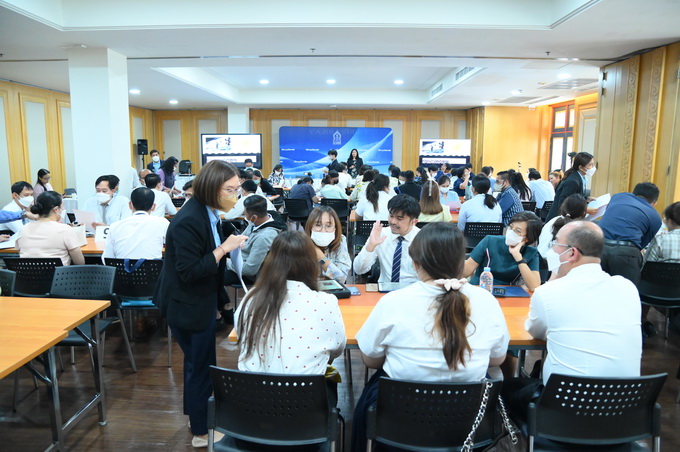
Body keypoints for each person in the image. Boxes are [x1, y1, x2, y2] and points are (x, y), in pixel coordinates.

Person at [352, 222, 509, 452]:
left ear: (416, 263)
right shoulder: (486, 301)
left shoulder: (394, 301)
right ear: (462, 262)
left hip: (401, 418)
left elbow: (370, 359)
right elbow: (497, 359)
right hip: (467, 421)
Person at [502, 221, 642, 422]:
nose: (551, 250)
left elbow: (535, 331)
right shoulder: (627, 288)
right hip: (624, 412)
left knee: (508, 387)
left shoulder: (549, 293)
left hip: (565, 411)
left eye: (555, 244)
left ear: (572, 253)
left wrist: (553, 278)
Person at [153, 160, 248, 449]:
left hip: (199, 300)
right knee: (201, 366)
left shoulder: (208, 213)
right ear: (211, 188)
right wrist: (224, 249)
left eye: (237, 189)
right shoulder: (189, 220)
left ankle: (196, 416)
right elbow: (190, 271)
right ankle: (201, 432)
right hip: (187, 304)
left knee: (199, 363)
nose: (234, 195)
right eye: (229, 189)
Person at [235, 230, 345, 376]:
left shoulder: (250, 299)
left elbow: (241, 336)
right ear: (311, 263)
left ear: (270, 261)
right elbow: (337, 348)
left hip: (253, 388)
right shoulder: (326, 302)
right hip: (306, 389)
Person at [224, 195, 286, 311]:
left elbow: (249, 270)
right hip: (241, 259)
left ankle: (225, 309)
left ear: (254, 217)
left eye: (245, 214)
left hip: (251, 274)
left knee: (213, 275)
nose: (244, 216)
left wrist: (227, 262)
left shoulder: (264, 236)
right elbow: (242, 238)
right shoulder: (257, 223)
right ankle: (223, 308)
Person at [598, 182, 663, 285]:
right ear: (654, 203)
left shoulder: (617, 197)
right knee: (626, 290)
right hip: (626, 254)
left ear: (634, 194)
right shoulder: (655, 216)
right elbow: (642, 244)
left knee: (597, 287)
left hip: (598, 247)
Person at [464, 211, 542, 291]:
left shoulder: (531, 252)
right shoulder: (490, 241)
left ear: (527, 239)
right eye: (511, 227)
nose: (511, 232)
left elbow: (534, 286)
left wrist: (518, 257)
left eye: (517, 231)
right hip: (480, 288)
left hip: (507, 292)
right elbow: (466, 271)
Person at [353, 195, 421, 283]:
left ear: (413, 222)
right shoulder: (381, 234)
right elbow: (358, 270)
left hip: (413, 288)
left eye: (399, 219)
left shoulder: (423, 239)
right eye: (391, 216)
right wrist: (371, 246)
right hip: (385, 288)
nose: (393, 222)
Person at [16, 191, 85, 266]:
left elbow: (21, 253)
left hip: (28, 273)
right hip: (58, 273)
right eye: (62, 206)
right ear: (56, 209)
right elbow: (79, 262)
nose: (63, 209)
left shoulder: (23, 229)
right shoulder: (65, 229)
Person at [102, 187, 169, 261]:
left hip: (122, 268)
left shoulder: (115, 226)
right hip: (153, 268)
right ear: (153, 207)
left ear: (130, 205)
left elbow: (106, 258)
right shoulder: (163, 223)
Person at [304, 206, 351, 283]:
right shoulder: (302, 243)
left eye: (328, 226)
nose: (323, 230)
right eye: (318, 225)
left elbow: (341, 279)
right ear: (311, 227)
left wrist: (321, 258)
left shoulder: (341, 241)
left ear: (335, 228)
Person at [546, 152, 596, 221]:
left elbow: (572, 196)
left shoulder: (578, 177)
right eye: (590, 165)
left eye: (593, 164)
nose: (593, 167)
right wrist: (584, 209)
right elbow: (563, 203)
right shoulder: (573, 181)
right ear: (581, 167)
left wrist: (586, 198)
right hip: (559, 219)